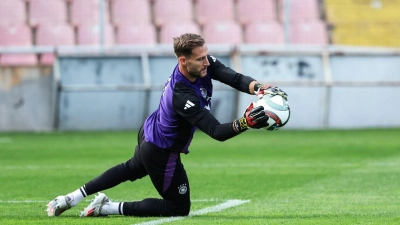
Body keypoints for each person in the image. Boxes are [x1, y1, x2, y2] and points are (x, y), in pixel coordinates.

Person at [46, 33, 287, 217]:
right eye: (200, 59)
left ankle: (71, 198)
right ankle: (108, 209)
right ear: (184, 61)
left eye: (206, 56)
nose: (207, 62)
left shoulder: (200, 66)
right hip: (162, 150)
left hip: (151, 132)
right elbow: (216, 132)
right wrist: (246, 122)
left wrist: (260, 88)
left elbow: (233, 77)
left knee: (130, 168)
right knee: (178, 207)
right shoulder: (183, 95)